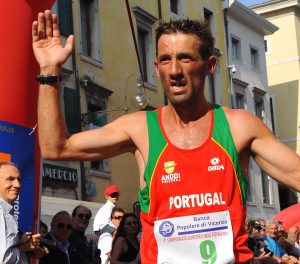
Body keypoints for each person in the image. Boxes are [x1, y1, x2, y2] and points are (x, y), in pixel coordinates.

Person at [32, 11, 300, 263]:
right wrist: (49, 71)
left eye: (185, 58)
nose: (174, 71)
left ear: (210, 65)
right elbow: (56, 147)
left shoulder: (239, 127)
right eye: (165, 60)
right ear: (156, 67)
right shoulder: (139, 129)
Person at [0, 161, 44, 263]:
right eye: (10, 179)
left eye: (19, 179)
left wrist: (21, 242)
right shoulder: (2, 213)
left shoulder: (5, 212)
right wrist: (26, 247)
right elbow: (4, 259)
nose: (17, 185)